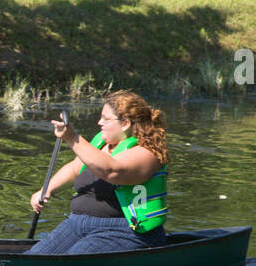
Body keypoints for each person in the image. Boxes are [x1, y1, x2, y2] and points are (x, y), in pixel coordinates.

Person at [25, 91, 169, 255]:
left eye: (106, 119)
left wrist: (73, 139)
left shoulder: (147, 153)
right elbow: (74, 169)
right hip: (76, 223)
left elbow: (111, 170)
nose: (99, 122)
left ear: (125, 124)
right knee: (32, 258)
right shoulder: (100, 144)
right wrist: (47, 189)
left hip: (124, 231)